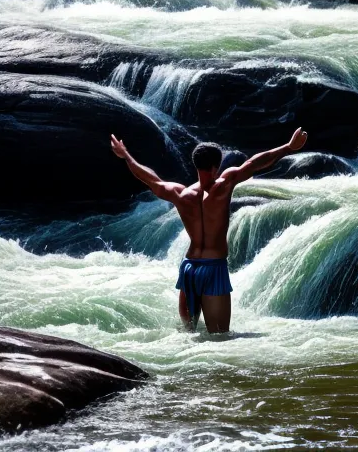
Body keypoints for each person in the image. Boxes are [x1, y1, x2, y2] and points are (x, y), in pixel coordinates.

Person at [109, 128, 308, 334]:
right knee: (220, 337)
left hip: (189, 268)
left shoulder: (180, 193)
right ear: (216, 167)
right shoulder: (223, 185)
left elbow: (150, 178)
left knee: (188, 335)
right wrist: (288, 147)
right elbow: (254, 164)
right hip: (213, 269)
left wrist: (126, 156)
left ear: (196, 165)